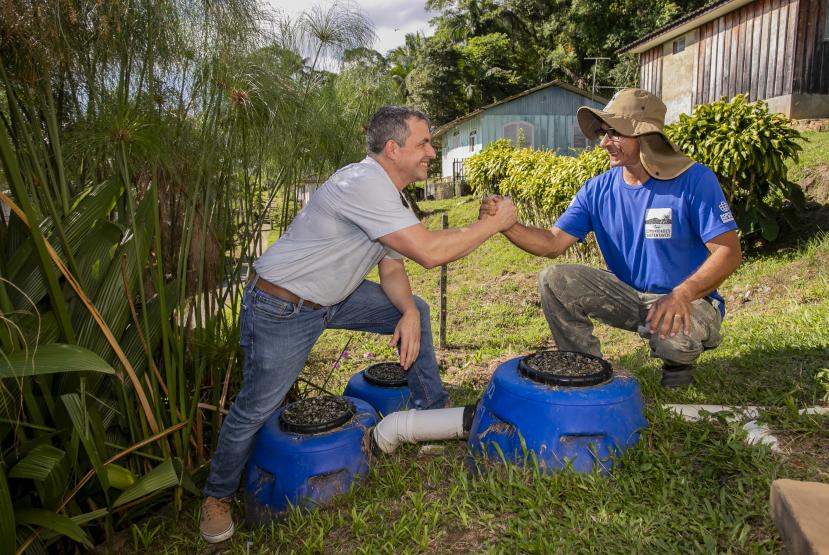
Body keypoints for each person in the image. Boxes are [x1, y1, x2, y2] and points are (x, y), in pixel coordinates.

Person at [200, 106, 517, 543]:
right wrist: (493, 225)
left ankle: (431, 412)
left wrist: (406, 312)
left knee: (417, 309)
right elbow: (428, 251)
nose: (432, 150)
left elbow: (392, 269)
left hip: (335, 297)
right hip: (283, 304)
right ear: (394, 148)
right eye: (423, 142)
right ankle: (216, 496)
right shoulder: (364, 183)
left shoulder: (393, 195)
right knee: (257, 405)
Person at [482, 88, 742, 389]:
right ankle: (584, 369)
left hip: (687, 299)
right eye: (603, 133)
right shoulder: (597, 190)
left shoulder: (694, 179)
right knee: (555, 280)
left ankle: (677, 369)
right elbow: (552, 243)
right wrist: (507, 225)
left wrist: (682, 294)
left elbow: (729, 252)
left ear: (645, 136)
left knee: (674, 339)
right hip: (630, 297)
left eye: (615, 133)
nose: (604, 142)